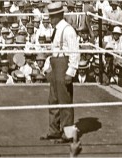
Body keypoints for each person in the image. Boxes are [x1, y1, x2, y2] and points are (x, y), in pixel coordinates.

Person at [40, 2, 80, 144]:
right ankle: (54, 131)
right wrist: (48, 67)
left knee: (65, 101)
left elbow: (75, 52)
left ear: (58, 16)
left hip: (64, 65)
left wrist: (71, 71)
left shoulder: (68, 30)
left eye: (52, 17)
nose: (50, 20)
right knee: (53, 100)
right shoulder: (56, 29)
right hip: (55, 65)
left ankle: (68, 134)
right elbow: (54, 50)